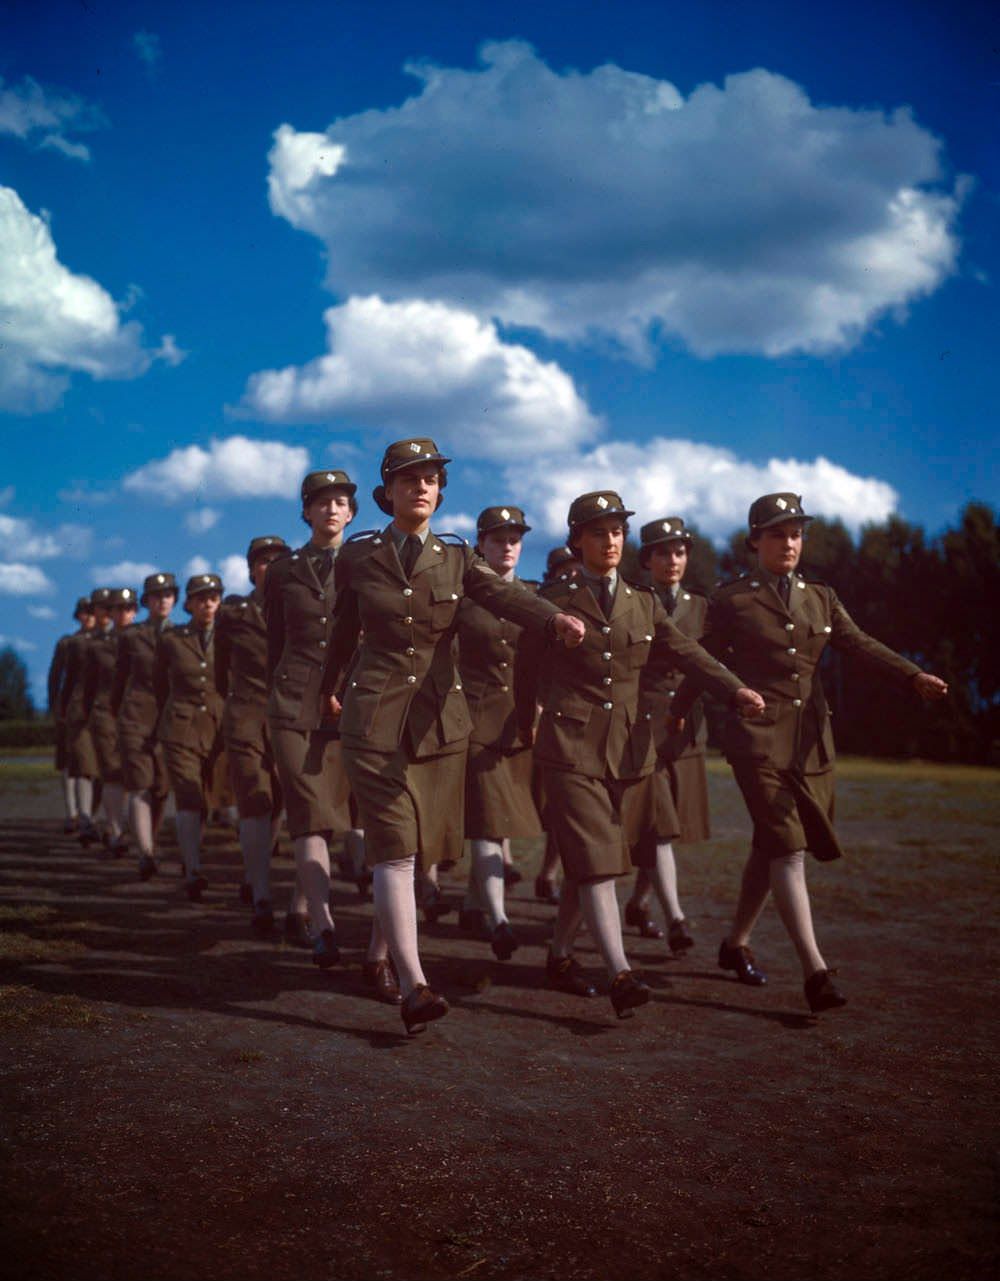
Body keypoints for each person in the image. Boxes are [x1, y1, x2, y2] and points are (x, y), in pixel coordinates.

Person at [323, 438, 585, 1034]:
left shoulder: (458, 557)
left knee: (419, 852)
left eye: (431, 478)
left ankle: (377, 956)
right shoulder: (360, 557)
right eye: (409, 478)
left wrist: (554, 618)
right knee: (394, 844)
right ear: (386, 492)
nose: (422, 486)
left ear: (441, 491)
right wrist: (328, 688)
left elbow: (503, 593)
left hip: (441, 723)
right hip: (375, 719)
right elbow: (341, 630)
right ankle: (416, 986)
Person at [671, 493, 948, 1013]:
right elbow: (699, 659)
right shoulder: (730, 600)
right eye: (778, 534)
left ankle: (735, 944)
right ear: (755, 541)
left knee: (771, 846)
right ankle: (816, 971)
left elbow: (860, 644)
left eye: (796, 533)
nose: (790, 543)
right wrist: (678, 712)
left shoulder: (820, 597)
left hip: (810, 743)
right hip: (756, 742)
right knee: (788, 850)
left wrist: (912, 676)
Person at [516, 491, 763, 1018]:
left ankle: (559, 955)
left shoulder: (642, 601)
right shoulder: (552, 598)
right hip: (568, 746)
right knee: (598, 863)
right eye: (599, 532)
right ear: (576, 539)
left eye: (618, 532)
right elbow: (524, 668)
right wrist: (524, 723)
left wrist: (734, 690)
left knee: (591, 862)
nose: (611, 542)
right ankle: (620, 973)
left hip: (627, 749)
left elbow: (689, 653)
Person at [264, 469, 395, 999]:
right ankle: (323, 925)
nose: (333, 510)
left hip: (357, 704)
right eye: (322, 502)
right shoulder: (283, 571)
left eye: (342, 501)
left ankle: (381, 953)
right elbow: (276, 641)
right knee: (309, 817)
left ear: (353, 511)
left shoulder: (369, 561)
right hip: (295, 706)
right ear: (307, 510)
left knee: (375, 822)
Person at [456, 505, 544, 959]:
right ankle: (500, 919)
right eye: (497, 539)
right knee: (489, 822)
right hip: (475, 724)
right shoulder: (462, 600)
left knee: (498, 821)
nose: (507, 546)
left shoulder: (534, 596)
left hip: (521, 723)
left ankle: (474, 903)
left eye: (514, 538)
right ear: (481, 544)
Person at [624, 517, 710, 953]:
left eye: (679, 552)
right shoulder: (634, 602)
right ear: (647, 560)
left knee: (667, 827)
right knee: (658, 827)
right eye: (662, 553)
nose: (672, 560)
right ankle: (676, 917)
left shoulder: (701, 607)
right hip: (645, 728)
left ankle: (639, 903)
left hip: (688, 730)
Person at [216, 536, 291, 937]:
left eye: (279, 560)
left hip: (286, 717)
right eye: (263, 561)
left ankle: (254, 875)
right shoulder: (233, 612)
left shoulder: (298, 608)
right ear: (251, 569)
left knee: (278, 802)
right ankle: (261, 894)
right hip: (246, 715)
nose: (271, 566)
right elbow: (218, 667)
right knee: (254, 800)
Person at [154, 573, 225, 900]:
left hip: (218, 727)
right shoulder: (172, 639)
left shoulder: (230, 635)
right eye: (200, 599)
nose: (207, 604)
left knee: (210, 798)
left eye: (213, 597)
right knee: (188, 794)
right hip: (180, 726)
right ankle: (193, 867)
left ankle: (195, 858)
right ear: (190, 603)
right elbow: (157, 683)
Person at [113, 573, 178, 880]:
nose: (162, 600)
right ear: (146, 601)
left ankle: (148, 838)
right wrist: (120, 718)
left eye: (167, 595)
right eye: (156, 596)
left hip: (170, 720)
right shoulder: (131, 636)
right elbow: (118, 681)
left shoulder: (182, 635)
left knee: (162, 788)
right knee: (140, 784)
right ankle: (146, 852)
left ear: (175, 600)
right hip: (136, 716)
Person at [83, 586, 138, 856]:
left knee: (137, 776)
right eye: (117, 609)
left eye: (128, 609)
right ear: (109, 612)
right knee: (113, 773)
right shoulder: (97, 647)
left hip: (138, 714)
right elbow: (88, 686)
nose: (123, 614)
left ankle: (131, 828)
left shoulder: (145, 639)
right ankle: (116, 831)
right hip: (105, 714)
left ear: (135, 611)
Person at [60, 587, 113, 847]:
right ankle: (85, 819)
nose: (103, 613)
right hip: (80, 711)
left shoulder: (123, 638)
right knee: (84, 766)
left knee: (107, 771)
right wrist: (62, 712)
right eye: (98, 608)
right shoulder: (75, 643)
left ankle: (101, 818)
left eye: (107, 607)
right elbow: (66, 680)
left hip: (112, 711)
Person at [47, 596, 95, 834]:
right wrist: (56, 707)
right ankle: (72, 813)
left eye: (91, 612)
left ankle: (86, 814)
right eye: (84, 613)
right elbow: (55, 676)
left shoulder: (104, 641)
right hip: (71, 707)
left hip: (96, 709)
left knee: (90, 765)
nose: (88, 617)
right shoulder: (67, 643)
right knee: (68, 763)